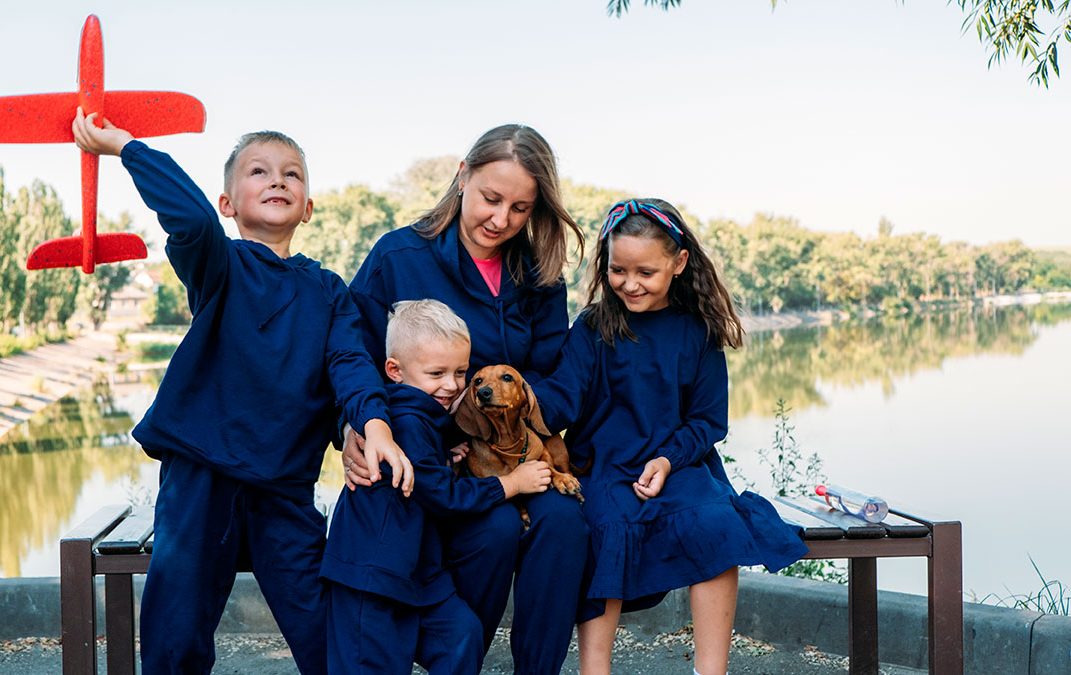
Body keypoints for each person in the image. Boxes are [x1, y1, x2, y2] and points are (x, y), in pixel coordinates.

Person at [71, 109, 407, 675]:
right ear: (228, 204)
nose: (277, 180)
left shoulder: (327, 291)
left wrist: (371, 424)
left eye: (292, 174)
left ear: (309, 207)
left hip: (284, 486)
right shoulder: (218, 264)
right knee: (177, 631)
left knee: (324, 629)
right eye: (258, 171)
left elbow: (350, 362)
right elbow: (192, 222)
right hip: (203, 474)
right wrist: (128, 146)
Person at [343, 124, 589, 674]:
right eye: (491, 198)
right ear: (462, 176)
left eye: (521, 208)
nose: (501, 220)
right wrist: (355, 427)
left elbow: (553, 375)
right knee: (497, 527)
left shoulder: (540, 274)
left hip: (516, 454)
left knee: (565, 524)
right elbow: (354, 354)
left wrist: (512, 415)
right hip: (427, 461)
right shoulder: (398, 255)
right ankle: (462, 664)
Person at [530, 199, 809, 675]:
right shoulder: (594, 327)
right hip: (604, 465)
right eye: (618, 270)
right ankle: (594, 670)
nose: (629, 284)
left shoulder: (697, 332)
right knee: (607, 528)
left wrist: (665, 461)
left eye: (646, 272)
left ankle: (710, 671)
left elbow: (706, 421)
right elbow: (561, 398)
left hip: (677, 464)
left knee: (715, 525)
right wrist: (520, 402)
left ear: (678, 264)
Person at [322, 299, 554, 674]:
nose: (452, 385)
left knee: (461, 636)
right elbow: (443, 495)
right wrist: (510, 483)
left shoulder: (427, 422)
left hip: (419, 575)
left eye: (461, 372)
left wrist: (446, 453)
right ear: (394, 370)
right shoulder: (405, 423)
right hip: (373, 577)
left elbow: (428, 463)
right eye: (436, 373)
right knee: (370, 664)